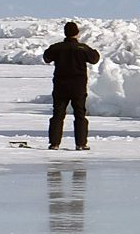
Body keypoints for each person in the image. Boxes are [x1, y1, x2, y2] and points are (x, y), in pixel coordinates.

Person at [43, 22, 101, 150]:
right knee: (80, 114)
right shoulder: (82, 48)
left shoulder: (57, 47)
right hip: (78, 87)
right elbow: (94, 59)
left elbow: (46, 57)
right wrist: (94, 51)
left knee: (58, 114)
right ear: (77, 33)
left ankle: (54, 143)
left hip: (60, 86)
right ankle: (81, 144)